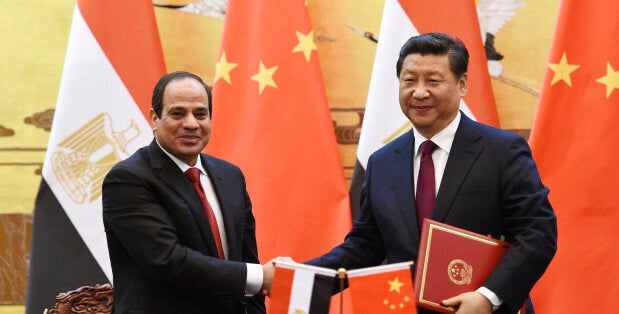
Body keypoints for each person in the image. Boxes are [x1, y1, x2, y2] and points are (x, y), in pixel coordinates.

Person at [307, 33, 557, 313]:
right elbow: (365, 246)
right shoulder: (382, 162)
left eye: (433, 81)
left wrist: (488, 297)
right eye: (409, 80)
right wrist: (298, 277)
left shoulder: (502, 151)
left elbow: (538, 233)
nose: (419, 92)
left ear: (461, 84)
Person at [102, 71, 274, 313]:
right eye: (178, 113)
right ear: (154, 118)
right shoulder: (128, 179)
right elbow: (167, 261)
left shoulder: (231, 176)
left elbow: (246, 260)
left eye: (200, 114)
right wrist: (259, 276)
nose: (191, 123)